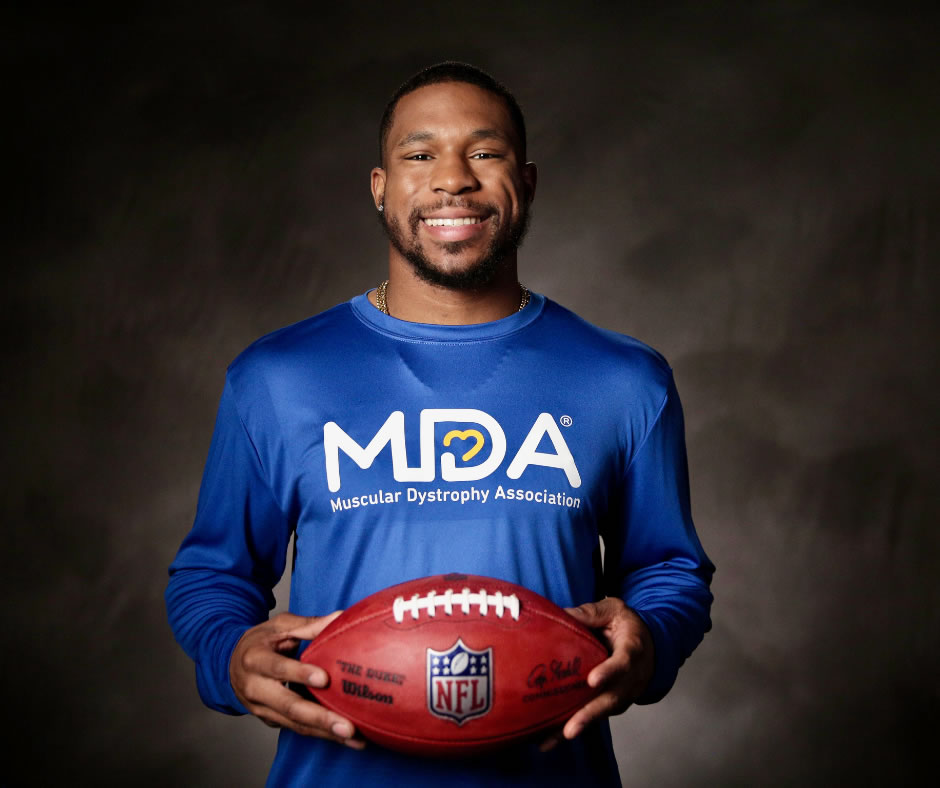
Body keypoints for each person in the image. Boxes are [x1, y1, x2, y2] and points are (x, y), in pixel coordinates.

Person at [166, 62, 714, 787]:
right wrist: (230, 655)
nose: (452, 179)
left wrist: (651, 640)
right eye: (419, 155)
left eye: (484, 153)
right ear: (381, 187)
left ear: (528, 180)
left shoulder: (622, 379)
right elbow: (211, 575)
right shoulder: (278, 378)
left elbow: (668, 570)